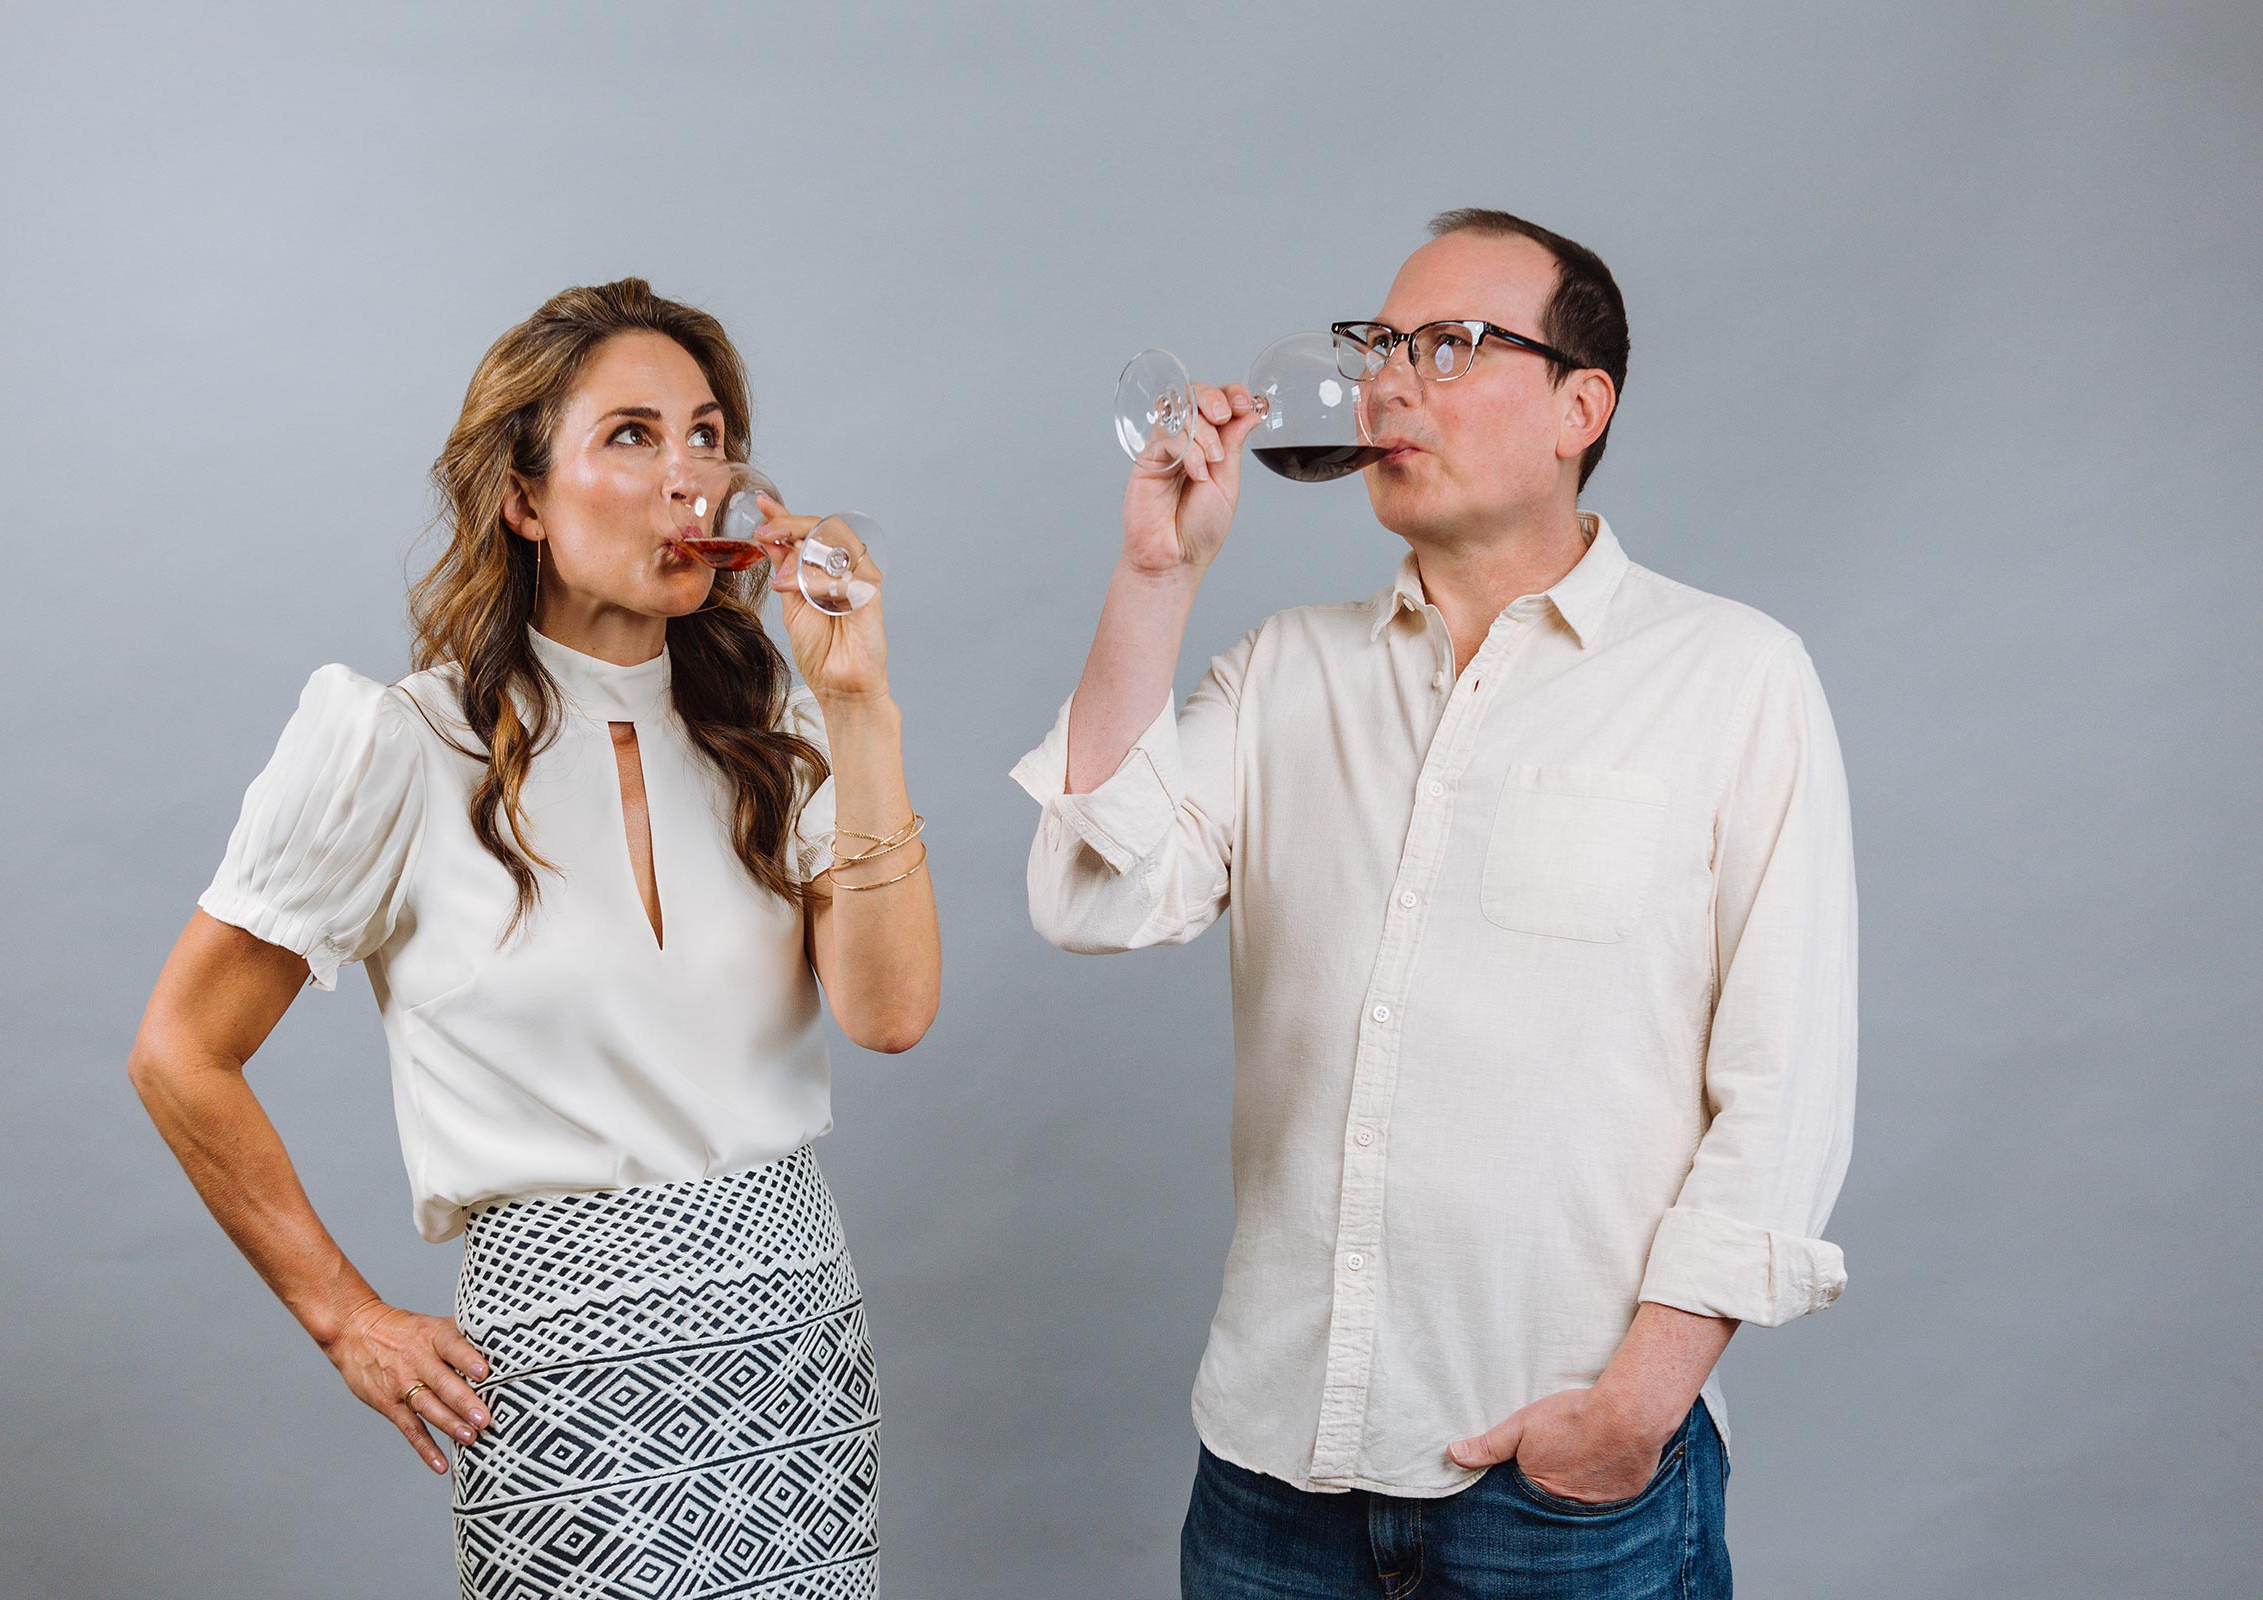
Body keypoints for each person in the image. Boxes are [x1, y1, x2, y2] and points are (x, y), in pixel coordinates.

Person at [1013, 210, 1856, 1597]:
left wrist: (1636, 1406)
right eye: (1380, 344)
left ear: (1583, 405)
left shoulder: (1733, 677)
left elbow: (1787, 1084)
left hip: (1566, 1490)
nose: (1390, 383)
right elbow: (1091, 895)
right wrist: (1158, 575)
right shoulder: (1289, 670)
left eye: (1451, 346)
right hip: (1274, 1479)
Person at [129, 279, 938, 1599]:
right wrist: (348, 1320)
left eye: (709, 433)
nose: (691, 477)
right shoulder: (404, 744)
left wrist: (862, 706)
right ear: (523, 496)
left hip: (796, 1350)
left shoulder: (773, 727)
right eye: (631, 435)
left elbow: (891, 1013)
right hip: (565, 1367)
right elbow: (180, 1052)